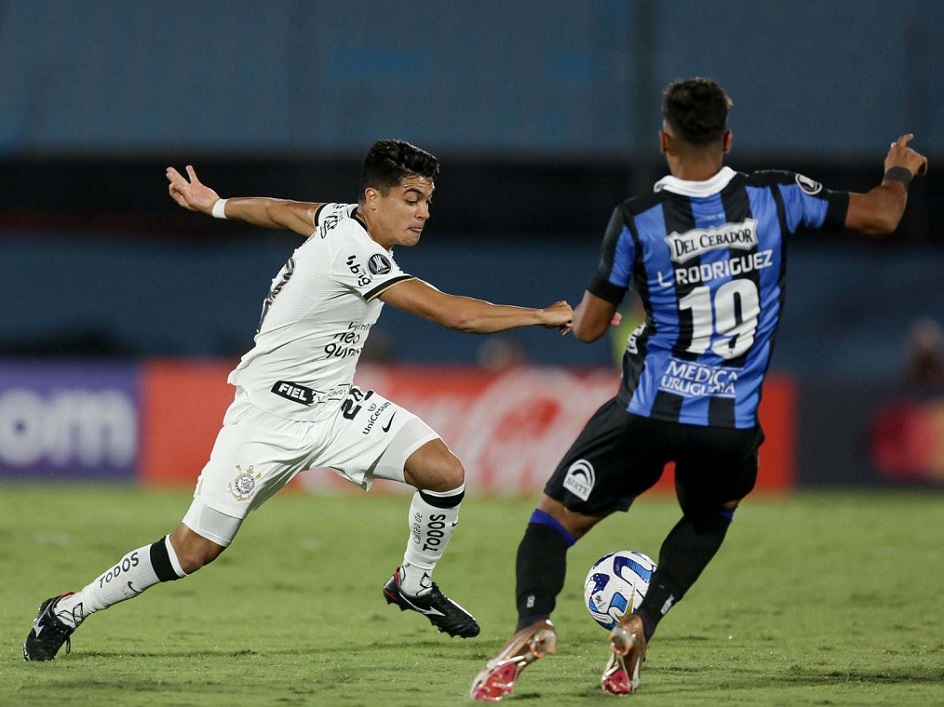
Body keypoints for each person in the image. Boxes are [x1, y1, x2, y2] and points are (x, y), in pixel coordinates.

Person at [23, 139, 574, 661]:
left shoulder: (341, 217)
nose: (423, 212)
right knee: (194, 550)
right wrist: (541, 315)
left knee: (444, 472)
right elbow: (451, 314)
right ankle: (69, 609)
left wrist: (217, 206)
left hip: (334, 407)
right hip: (268, 416)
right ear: (374, 198)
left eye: (428, 200)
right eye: (411, 199)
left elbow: (284, 210)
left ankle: (413, 582)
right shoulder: (355, 252)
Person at [470, 77, 928, 701]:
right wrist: (898, 171)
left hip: (648, 409)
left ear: (665, 141)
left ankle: (533, 623)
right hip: (730, 421)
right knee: (710, 516)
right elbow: (883, 213)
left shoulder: (638, 221)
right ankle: (642, 622)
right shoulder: (775, 196)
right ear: (728, 140)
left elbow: (590, 330)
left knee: (552, 521)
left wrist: (566, 317)